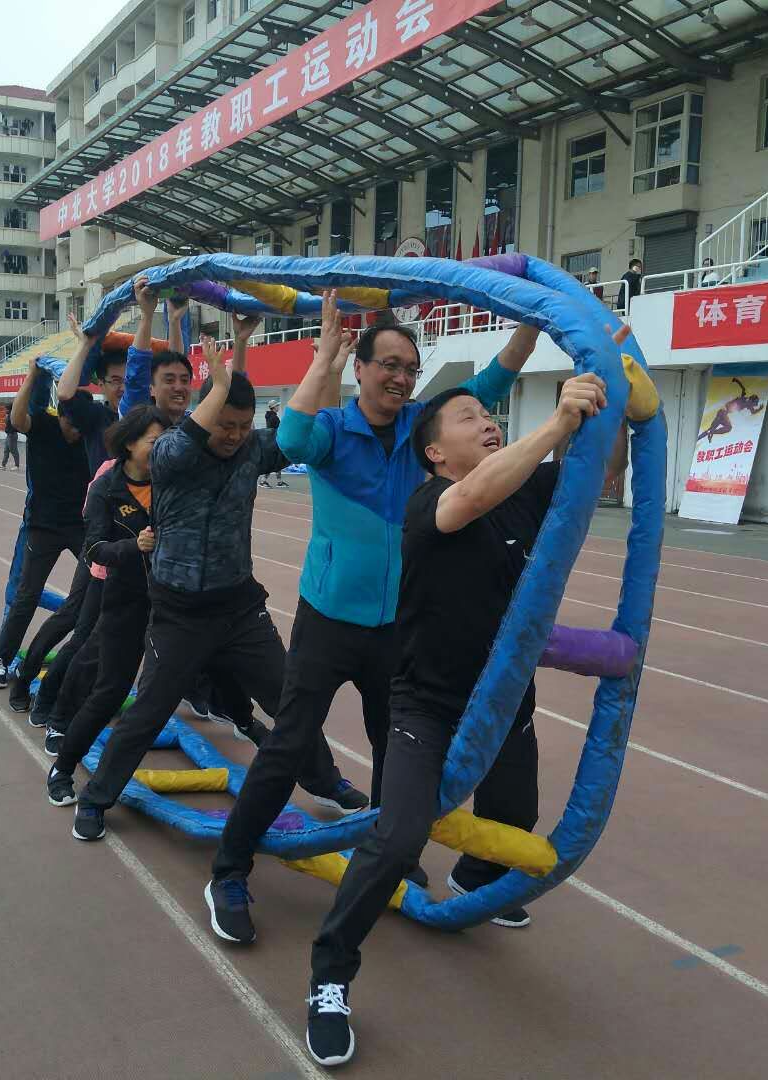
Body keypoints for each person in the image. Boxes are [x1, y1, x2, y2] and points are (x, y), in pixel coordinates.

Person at [204, 291, 540, 944]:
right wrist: (322, 358)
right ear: (360, 368)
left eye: (410, 368)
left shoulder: (423, 432)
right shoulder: (333, 429)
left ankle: (391, 859)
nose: (401, 377)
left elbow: (497, 378)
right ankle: (229, 870)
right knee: (290, 744)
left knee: (395, 750)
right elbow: (291, 439)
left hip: (398, 629)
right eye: (388, 364)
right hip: (329, 619)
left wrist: (529, 317)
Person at [301, 372, 607, 1067]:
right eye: (468, 417)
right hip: (428, 704)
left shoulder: (525, 488)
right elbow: (472, 497)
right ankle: (330, 973)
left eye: (489, 415)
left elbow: (599, 472)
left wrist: (606, 402)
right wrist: (557, 423)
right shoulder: (428, 502)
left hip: (503, 699)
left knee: (514, 818)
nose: (488, 421)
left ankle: (472, 879)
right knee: (397, 836)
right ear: (435, 453)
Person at [67, 338, 329, 842]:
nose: (234, 435)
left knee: (289, 698)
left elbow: (295, 432)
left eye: (242, 425)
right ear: (206, 417)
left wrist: (325, 362)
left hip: (239, 607)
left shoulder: (252, 449)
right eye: (225, 424)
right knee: (149, 710)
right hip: (180, 611)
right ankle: (96, 798)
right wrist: (219, 383)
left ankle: (326, 781)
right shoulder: (171, 454)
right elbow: (188, 437)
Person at [6, 314, 131, 713]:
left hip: (138, 536)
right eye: (115, 380)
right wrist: (85, 344)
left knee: (127, 620)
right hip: (102, 534)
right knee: (76, 616)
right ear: (103, 384)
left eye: (129, 378)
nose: (123, 385)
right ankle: (28, 681)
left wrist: (166, 318)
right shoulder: (97, 420)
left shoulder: (146, 419)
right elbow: (65, 392)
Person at [45, 403, 167, 801]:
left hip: (173, 602)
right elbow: (94, 548)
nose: (163, 448)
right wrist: (134, 546)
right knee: (111, 690)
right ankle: (63, 766)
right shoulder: (106, 487)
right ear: (130, 444)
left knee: (168, 690)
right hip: (126, 599)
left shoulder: (172, 479)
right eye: (154, 441)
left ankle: (248, 724)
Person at [0, 360, 90, 689]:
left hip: (82, 526)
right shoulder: (45, 424)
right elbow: (17, 419)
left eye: (83, 426)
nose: (77, 433)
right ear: (62, 416)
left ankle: (92, 656)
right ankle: (2, 661)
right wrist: (32, 375)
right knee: (26, 595)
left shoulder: (91, 432)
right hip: (43, 526)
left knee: (105, 587)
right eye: (73, 425)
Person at [697, 377, 764, 443]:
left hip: (722, 413)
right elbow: (743, 388)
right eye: (753, 403)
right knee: (728, 427)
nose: (752, 405)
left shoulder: (748, 404)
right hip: (723, 412)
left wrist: (759, 409)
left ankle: (700, 437)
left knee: (711, 429)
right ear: (751, 401)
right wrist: (736, 380)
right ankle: (710, 432)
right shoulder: (745, 399)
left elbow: (753, 411)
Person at [260, 402, 285, 488]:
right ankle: (263, 481)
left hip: (272, 441)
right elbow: (276, 429)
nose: (278, 407)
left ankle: (279, 481)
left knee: (278, 461)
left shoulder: (270, 416)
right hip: (274, 441)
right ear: (274, 407)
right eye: (277, 406)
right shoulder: (273, 417)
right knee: (273, 461)